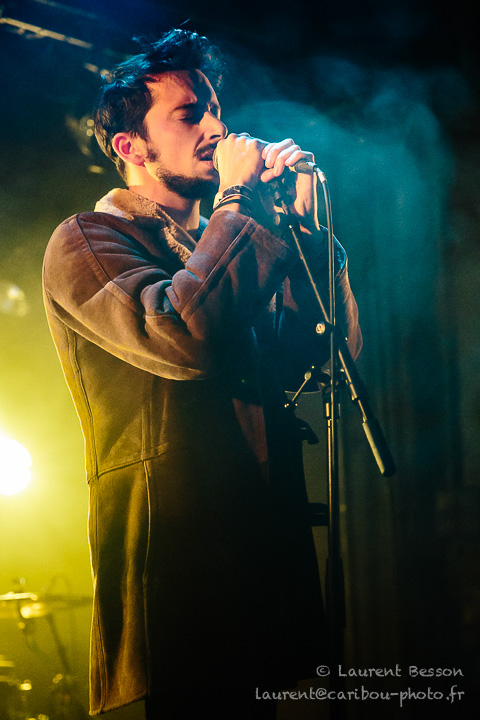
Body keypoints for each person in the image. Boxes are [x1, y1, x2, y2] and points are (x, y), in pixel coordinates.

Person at [42, 29, 361, 719]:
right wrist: (239, 198)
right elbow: (183, 335)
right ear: (132, 147)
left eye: (216, 108)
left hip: (258, 550)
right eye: (190, 115)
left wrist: (309, 237)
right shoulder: (88, 240)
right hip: (178, 562)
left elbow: (323, 356)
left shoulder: (239, 242)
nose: (217, 128)